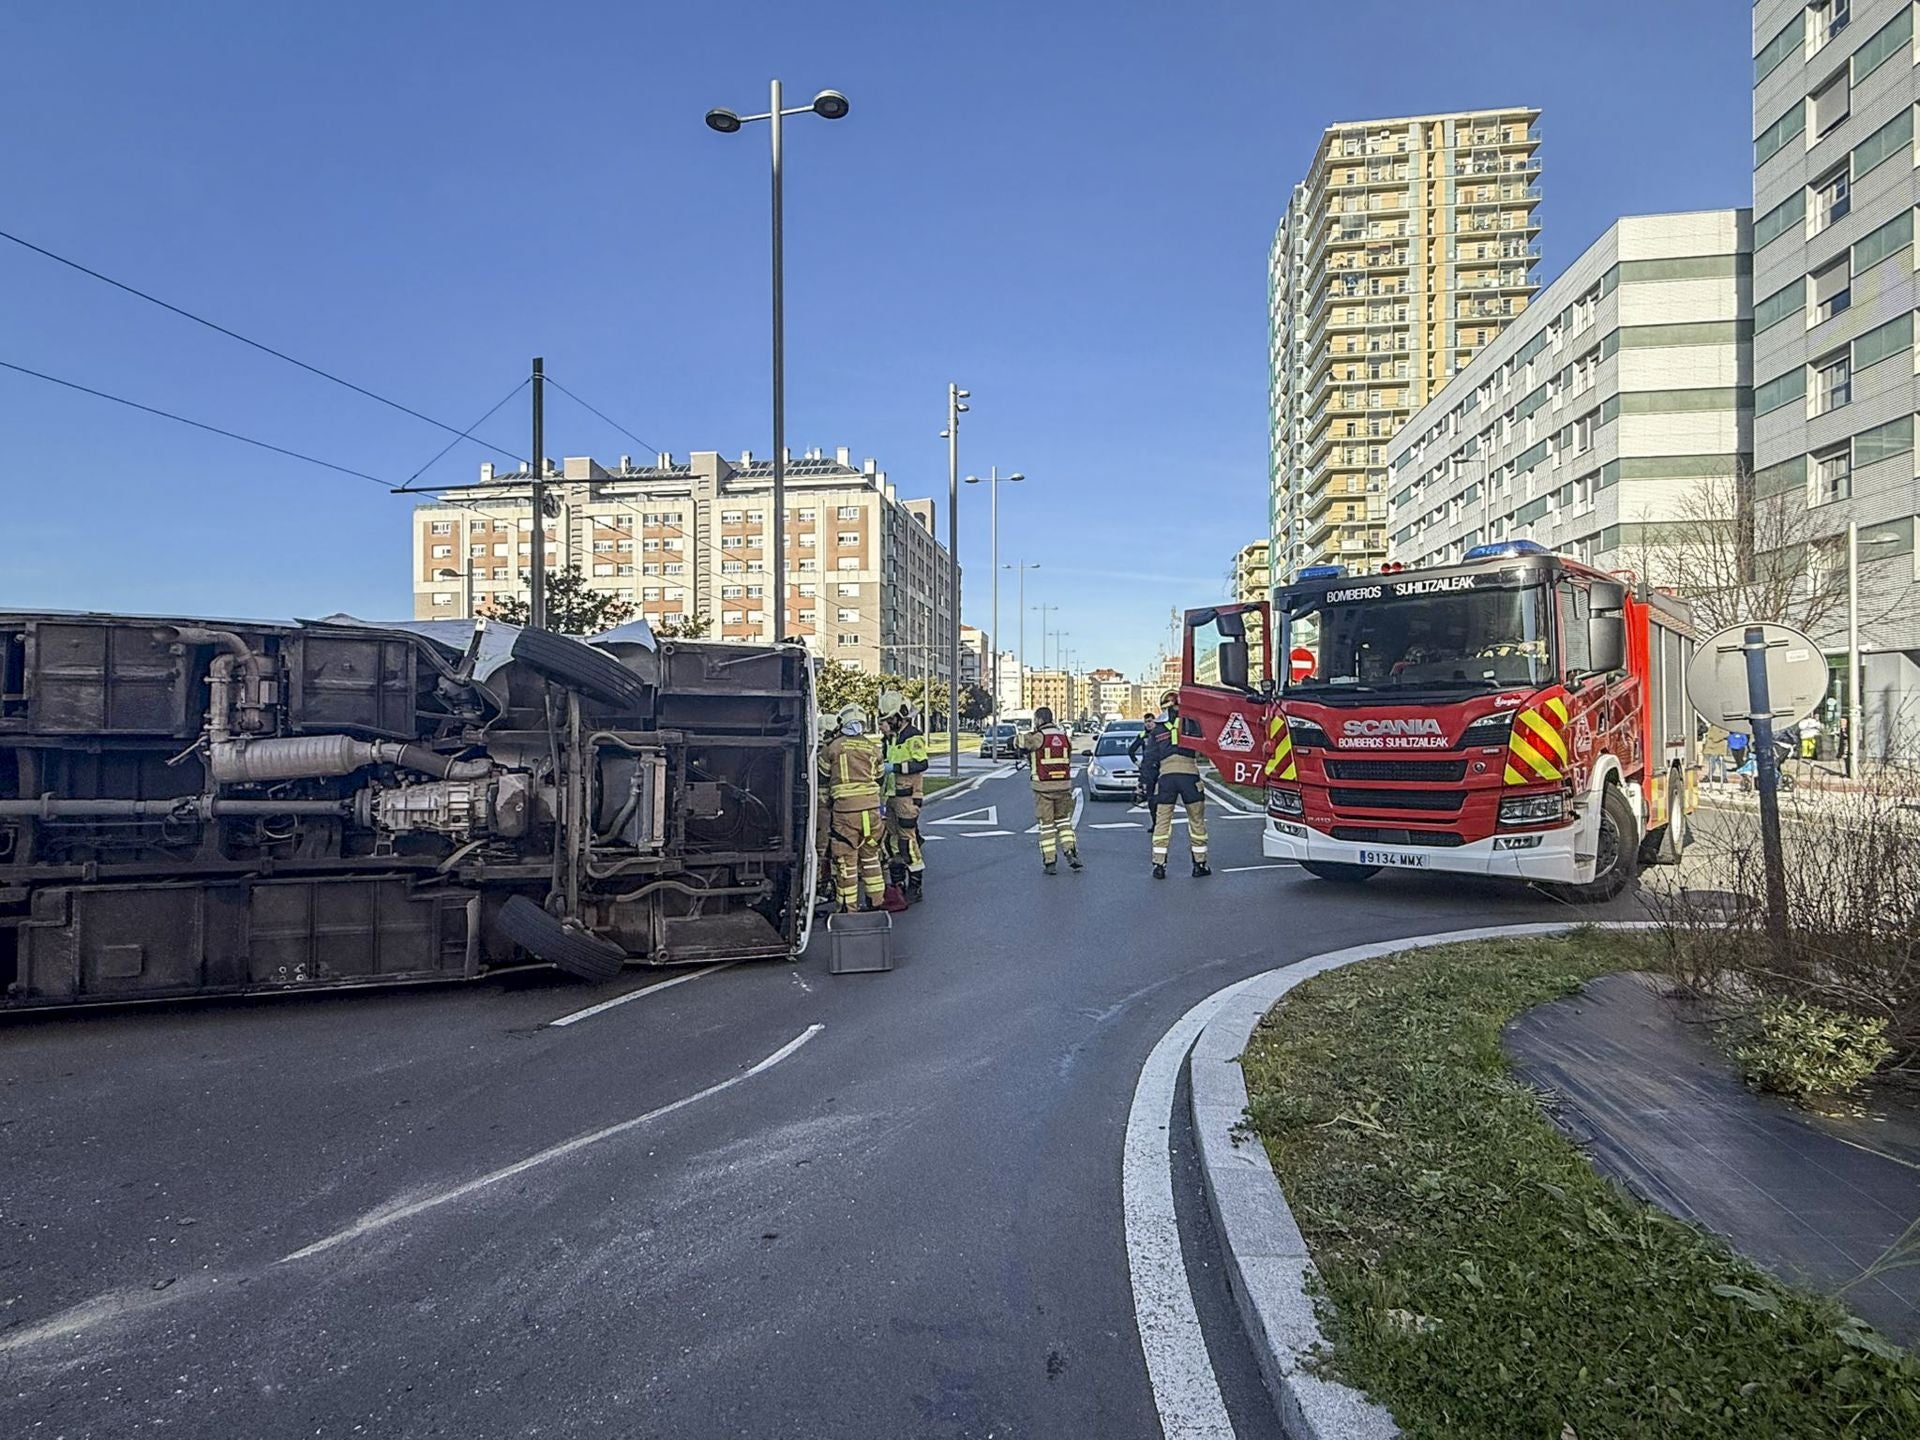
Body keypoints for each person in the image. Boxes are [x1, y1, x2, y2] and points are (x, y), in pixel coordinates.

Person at [1133, 690, 1209, 879]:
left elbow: (1150, 760)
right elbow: (1206, 746)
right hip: (1189, 776)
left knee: (1162, 821)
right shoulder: (1191, 723)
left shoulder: (1157, 730)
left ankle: (1159, 865)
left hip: (1166, 778)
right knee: (1196, 821)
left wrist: (1143, 784)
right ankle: (1199, 864)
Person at [818, 704, 887, 912]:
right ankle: (876, 902)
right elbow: (880, 778)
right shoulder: (874, 748)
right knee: (871, 858)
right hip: (872, 813)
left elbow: (822, 776)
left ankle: (848, 909)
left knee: (846, 863)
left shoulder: (833, 748)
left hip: (846, 814)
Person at [1014, 705, 1082, 874]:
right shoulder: (1064, 737)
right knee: (1064, 822)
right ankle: (1070, 852)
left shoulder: (1039, 737)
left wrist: (1025, 736)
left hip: (1043, 787)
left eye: (1035, 719)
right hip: (1064, 786)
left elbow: (1019, 742)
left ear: (1039, 720)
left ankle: (1050, 861)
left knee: (1047, 826)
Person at [880, 696, 929, 904]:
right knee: (891, 842)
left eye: (888, 720)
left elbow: (921, 763)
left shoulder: (913, 737)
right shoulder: (890, 739)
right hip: (891, 797)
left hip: (907, 797)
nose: (885, 724)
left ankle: (915, 886)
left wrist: (896, 768)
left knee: (907, 842)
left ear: (900, 718)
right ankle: (898, 882)